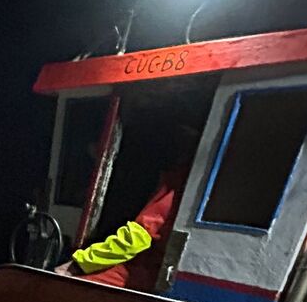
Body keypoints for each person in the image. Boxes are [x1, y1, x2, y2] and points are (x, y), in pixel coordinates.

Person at [55, 125, 200, 293]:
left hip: (147, 271)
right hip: (146, 267)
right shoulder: (183, 180)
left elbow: (137, 238)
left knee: (67, 289)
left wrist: (79, 265)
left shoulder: (179, 182)